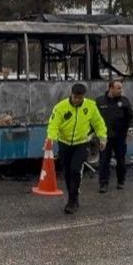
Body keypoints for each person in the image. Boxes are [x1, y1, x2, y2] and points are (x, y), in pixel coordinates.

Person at [46, 83, 108, 214]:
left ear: (83, 96)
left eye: (80, 98)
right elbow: (53, 124)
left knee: (75, 170)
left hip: (81, 143)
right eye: (75, 97)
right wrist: (51, 139)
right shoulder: (61, 107)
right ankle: (72, 196)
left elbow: (98, 122)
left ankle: (73, 200)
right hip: (64, 143)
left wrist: (102, 137)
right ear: (71, 94)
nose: (77, 100)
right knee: (67, 172)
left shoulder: (90, 106)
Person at [96, 80, 133, 193]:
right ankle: (103, 184)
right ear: (111, 88)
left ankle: (121, 181)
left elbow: (131, 117)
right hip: (105, 137)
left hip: (120, 136)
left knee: (121, 160)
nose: (120, 90)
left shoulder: (124, 101)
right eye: (118, 88)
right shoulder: (100, 101)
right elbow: (94, 118)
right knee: (104, 160)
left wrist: (131, 128)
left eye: (121, 88)